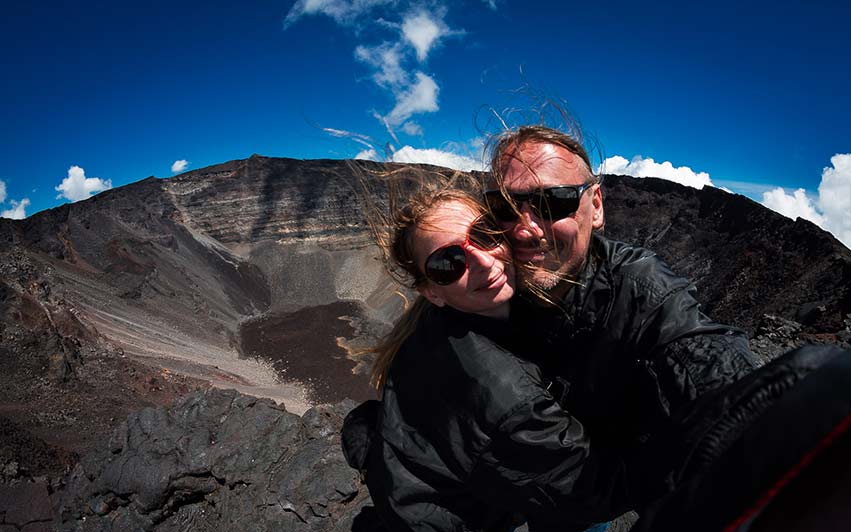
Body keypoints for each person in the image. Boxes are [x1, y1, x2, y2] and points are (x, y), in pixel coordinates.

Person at [484, 125, 760, 506]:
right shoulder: (482, 279)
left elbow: (701, 357)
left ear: (595, 206)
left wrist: (770, 426)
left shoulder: (644, 292)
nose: (524, 229)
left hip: (587, 495)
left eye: (553, 202)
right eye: (504, 206)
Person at [342, 171, 633, 531]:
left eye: (484, 235)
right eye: (449, 263)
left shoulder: (452, 317)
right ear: (431, 291)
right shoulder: (496, 388)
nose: (481, 261)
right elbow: (591, 491)